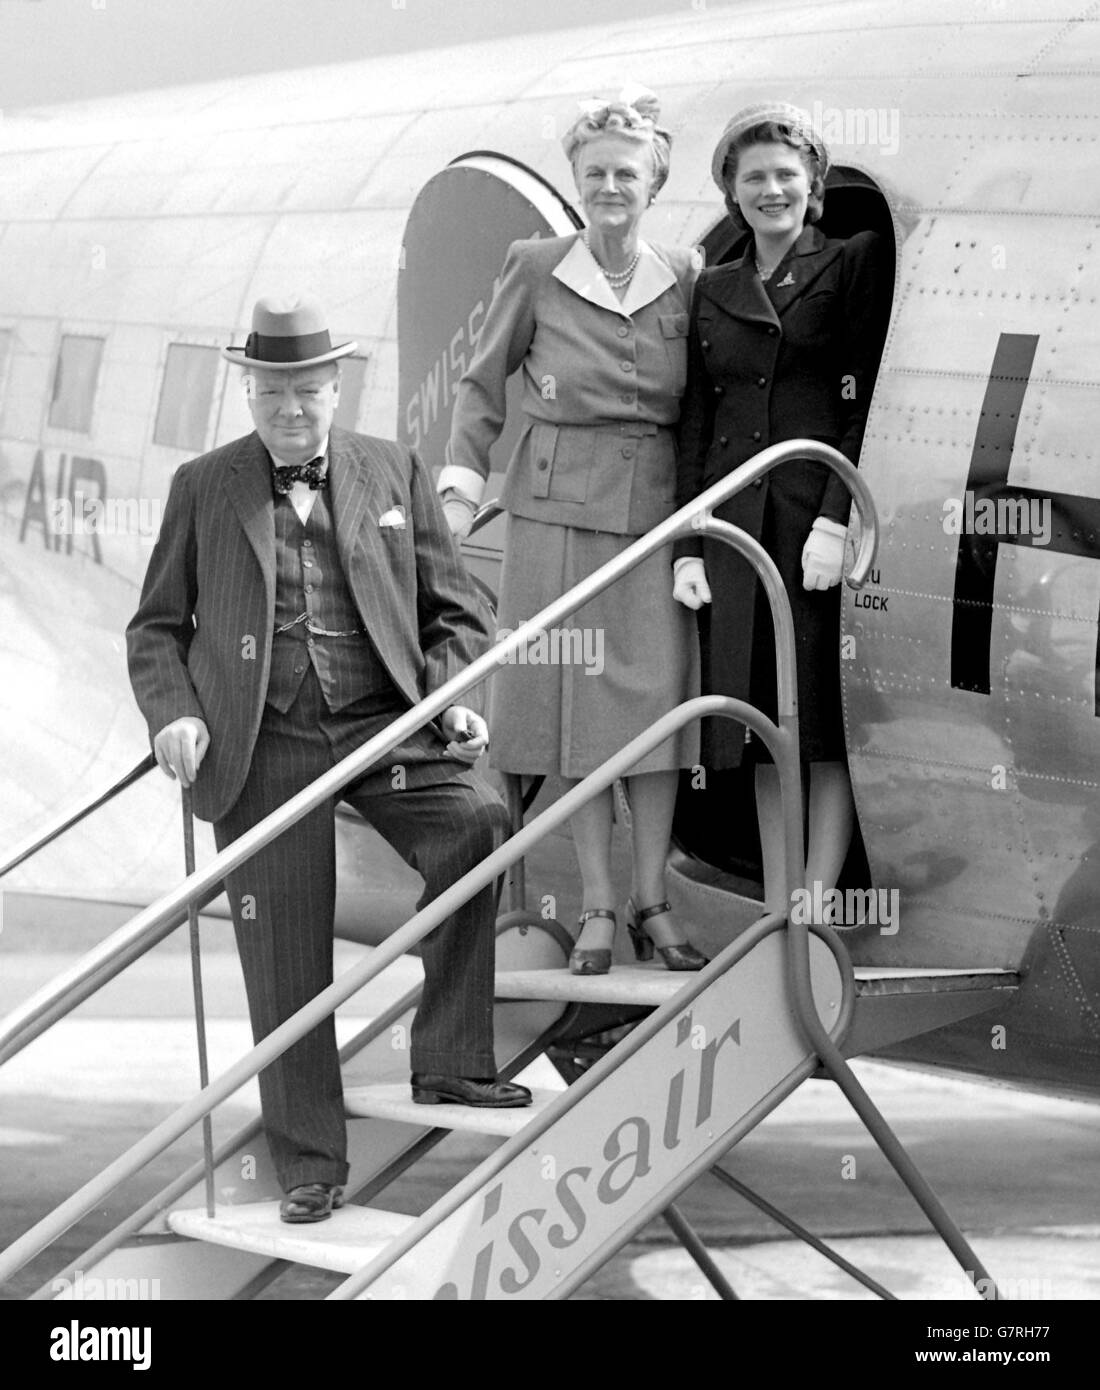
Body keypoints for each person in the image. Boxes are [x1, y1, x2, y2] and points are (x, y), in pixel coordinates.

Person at [127, 295, 529, 1226]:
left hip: (382, 725)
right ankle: (309, 1158)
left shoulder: (392, 469)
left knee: (476, 823)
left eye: (308, 392)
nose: (291, 410)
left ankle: (452, 1059)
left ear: (336, 387)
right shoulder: (203, 485)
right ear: (251, 393)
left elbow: (458, 608)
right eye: (273, 393)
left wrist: (454, 691)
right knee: (285, 946)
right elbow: (155, 629)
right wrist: (176, 715)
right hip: (264, 741)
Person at [440, 85, 706, 975]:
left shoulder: (688, 275)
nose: (609, 187)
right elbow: (482, 386)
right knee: (574, 718)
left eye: (626, 173)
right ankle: (597, 906)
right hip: (552, 517)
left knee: (656, 713)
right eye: (594, 173)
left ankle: (653, 900)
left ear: (653, 182)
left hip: (655, 518)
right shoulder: (536, 264)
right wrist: (456, 490)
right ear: (576, 180)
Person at [674, 103, 890, 921]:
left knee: (822, 721)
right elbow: (696, 419)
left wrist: (839, 516)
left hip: (808, 523)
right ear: (733, 190)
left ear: (814, 188)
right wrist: (687, 545)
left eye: (786, 177)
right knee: (763, 720)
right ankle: (778, 897)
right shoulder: (714, 287)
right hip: (736, 526)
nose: (772, 191)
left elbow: (859, 400)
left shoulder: (849, 264)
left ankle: (817, 897)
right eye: (754, 177)